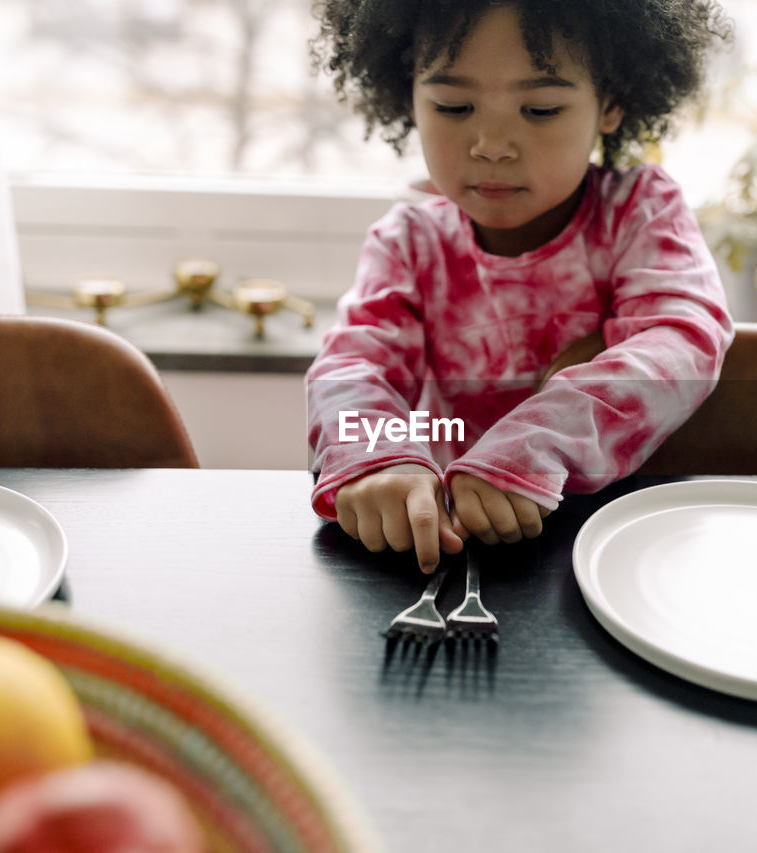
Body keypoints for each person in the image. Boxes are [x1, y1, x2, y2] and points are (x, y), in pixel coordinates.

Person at [308, 0, 735, 573]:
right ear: (407, 98)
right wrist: (377, 459)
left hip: (614, 545)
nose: (492, 145)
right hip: (446, 543)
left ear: (610, 104)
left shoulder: (639, 212)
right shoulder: (408, 242)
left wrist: (536, 446)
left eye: (540, 108)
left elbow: (680, 338)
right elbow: (355, 369)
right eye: (453, 106)